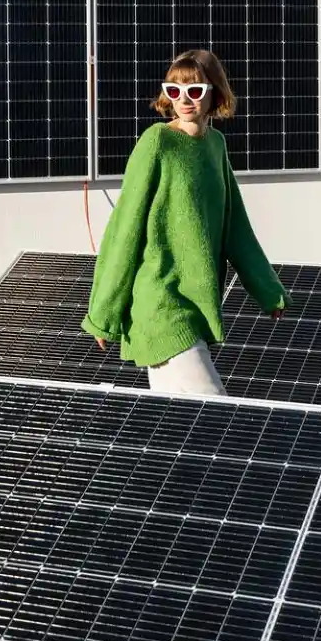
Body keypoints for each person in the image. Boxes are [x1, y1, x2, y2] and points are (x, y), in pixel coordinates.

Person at [82, 49, 287, 395]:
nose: (184, 100)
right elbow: (124, 228)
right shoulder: (157, 143)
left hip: (197, 306)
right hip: (161, 305)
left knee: (184, 429)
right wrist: (103, 312)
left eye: (194, 91)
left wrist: (268, 292)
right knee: (216, 414)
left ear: (214, 94)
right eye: (174, 91)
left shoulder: (216, 145)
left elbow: (236, 227)